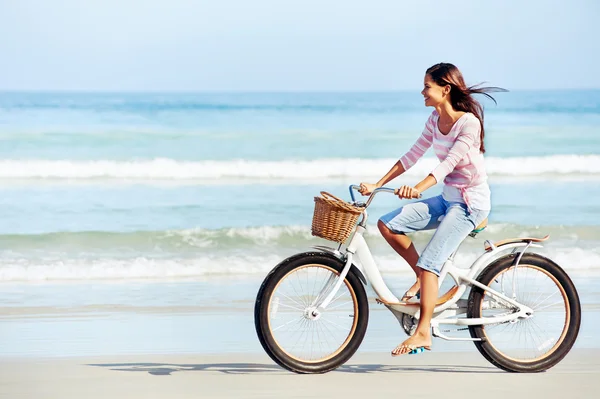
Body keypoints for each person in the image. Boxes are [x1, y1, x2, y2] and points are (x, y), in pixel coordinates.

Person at [358, 62, 505, 356]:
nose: (422, 91)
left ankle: (423, 332)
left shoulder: (468, 124)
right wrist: (377, 184)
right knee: (388, 225)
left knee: (429, 263)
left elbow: (448, 163)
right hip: (448, 198)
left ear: (445, 89)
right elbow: (412, 155)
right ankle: (425, 281)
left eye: (427, 86)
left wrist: (418, 188)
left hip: (469, 204)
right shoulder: (433, 120)